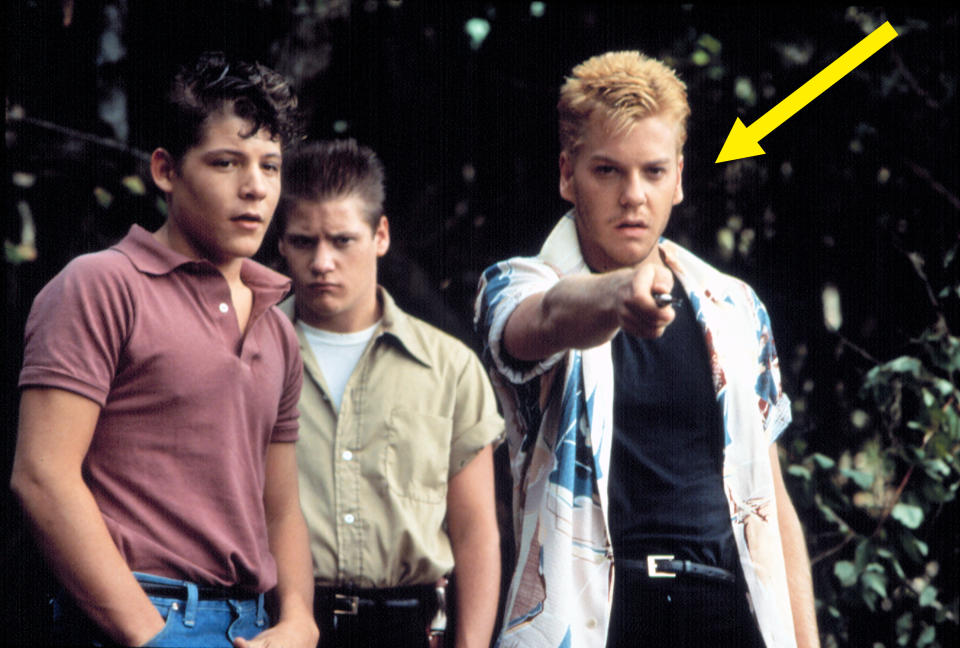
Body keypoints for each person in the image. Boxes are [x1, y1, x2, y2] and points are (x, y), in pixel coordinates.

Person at [475, 51, 820, 648]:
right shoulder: (517, 284)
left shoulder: (735, 306)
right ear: (567, 174)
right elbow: (545, 320)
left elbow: (768, 499)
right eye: (607, 171)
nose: (633, 195)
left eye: (653, 172)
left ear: (679, 178)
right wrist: (617, 298)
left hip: (725, 612)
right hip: (597, 615)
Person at [11, 52, 319, 648]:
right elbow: (42, 476)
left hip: (255, 627)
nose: (255, 187)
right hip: (133, 619)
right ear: (166, 170)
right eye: (226, 162)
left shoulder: (278, 325)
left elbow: (280, 507)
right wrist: (153, 637)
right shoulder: (101, 284)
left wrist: (299, 620)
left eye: (271, 166)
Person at [275, 139, 503, 648]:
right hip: (282, 623)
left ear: (380, 235)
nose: (322, 262)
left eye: (342, 240)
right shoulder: (252, 356)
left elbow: (476, 533)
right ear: (282, 245)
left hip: (408, 624)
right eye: (304, 242)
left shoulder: (448, 368)